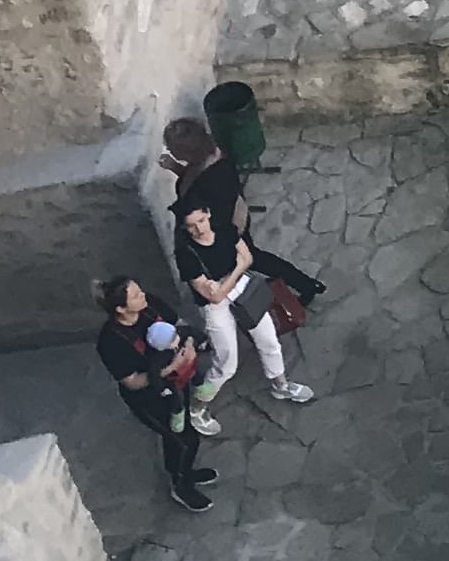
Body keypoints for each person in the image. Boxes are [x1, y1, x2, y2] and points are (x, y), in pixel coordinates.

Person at [162, 111, 326, 312]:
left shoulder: (214, 178)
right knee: (256, 258)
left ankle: (305, 285)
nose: (169, 150)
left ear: (187, 151)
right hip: (229, 217)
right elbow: (195, 180)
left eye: (172, 147)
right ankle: (306, 284)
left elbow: (211, 208)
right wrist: (176, 168)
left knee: (251, 260)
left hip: (226, 225)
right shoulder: (210, 156)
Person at [174, 199, 316, 406]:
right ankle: (199, 405)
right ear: (184, 227)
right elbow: (214, 297)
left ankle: (281, 386)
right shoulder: (186, 254)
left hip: (244, 292)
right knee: (227, 361)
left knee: (269, 341)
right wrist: (235, 272)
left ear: (208, 214)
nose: (199, 228)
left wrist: (223, 282)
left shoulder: (224, 228)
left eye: (202, 220)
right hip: (215, 307)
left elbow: (248, 257)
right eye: (192, 225)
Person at [95, 277, 217, 511]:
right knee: (183, 439)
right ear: (121, 309)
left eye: (140, 290)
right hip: (149, 398)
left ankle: (186, 472)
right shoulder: (111, 341)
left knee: (184, 435)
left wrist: (189, 346)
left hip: (177, 383)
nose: (143, 296)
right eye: (136, 296)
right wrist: (170, 368)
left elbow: (179, 325)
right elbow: (132, 382)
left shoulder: (150, 306)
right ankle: (180, 484)